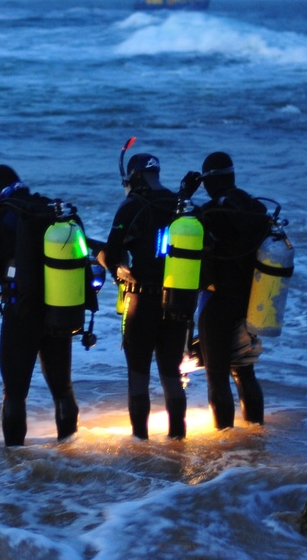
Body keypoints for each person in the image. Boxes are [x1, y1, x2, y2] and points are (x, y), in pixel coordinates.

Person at [0, 165, 92, 447]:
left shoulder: (2, 215)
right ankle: (70, 455)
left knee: (15, 394)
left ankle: (14, 462)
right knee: (63, 390)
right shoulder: (51, 209)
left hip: (20, 314)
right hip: (59, 310)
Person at [98, 153, 187, 440]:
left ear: (133, 177)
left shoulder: (130, 207)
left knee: (139, 377)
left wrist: (103, 258)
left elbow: (112, 256)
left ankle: (141, 446)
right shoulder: (181, 204)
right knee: (172, 376)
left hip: (141, 301)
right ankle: (177, 441)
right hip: (177, 302)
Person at [183, 151, 270, 429]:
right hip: (251, 298)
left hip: (217, 301)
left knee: (217, 376)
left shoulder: (212, 212)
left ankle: (225, 440)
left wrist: (184, 194)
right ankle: (255, 432)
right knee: (245, 372)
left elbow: (182, 222)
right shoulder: (254, 208)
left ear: (207, 182)